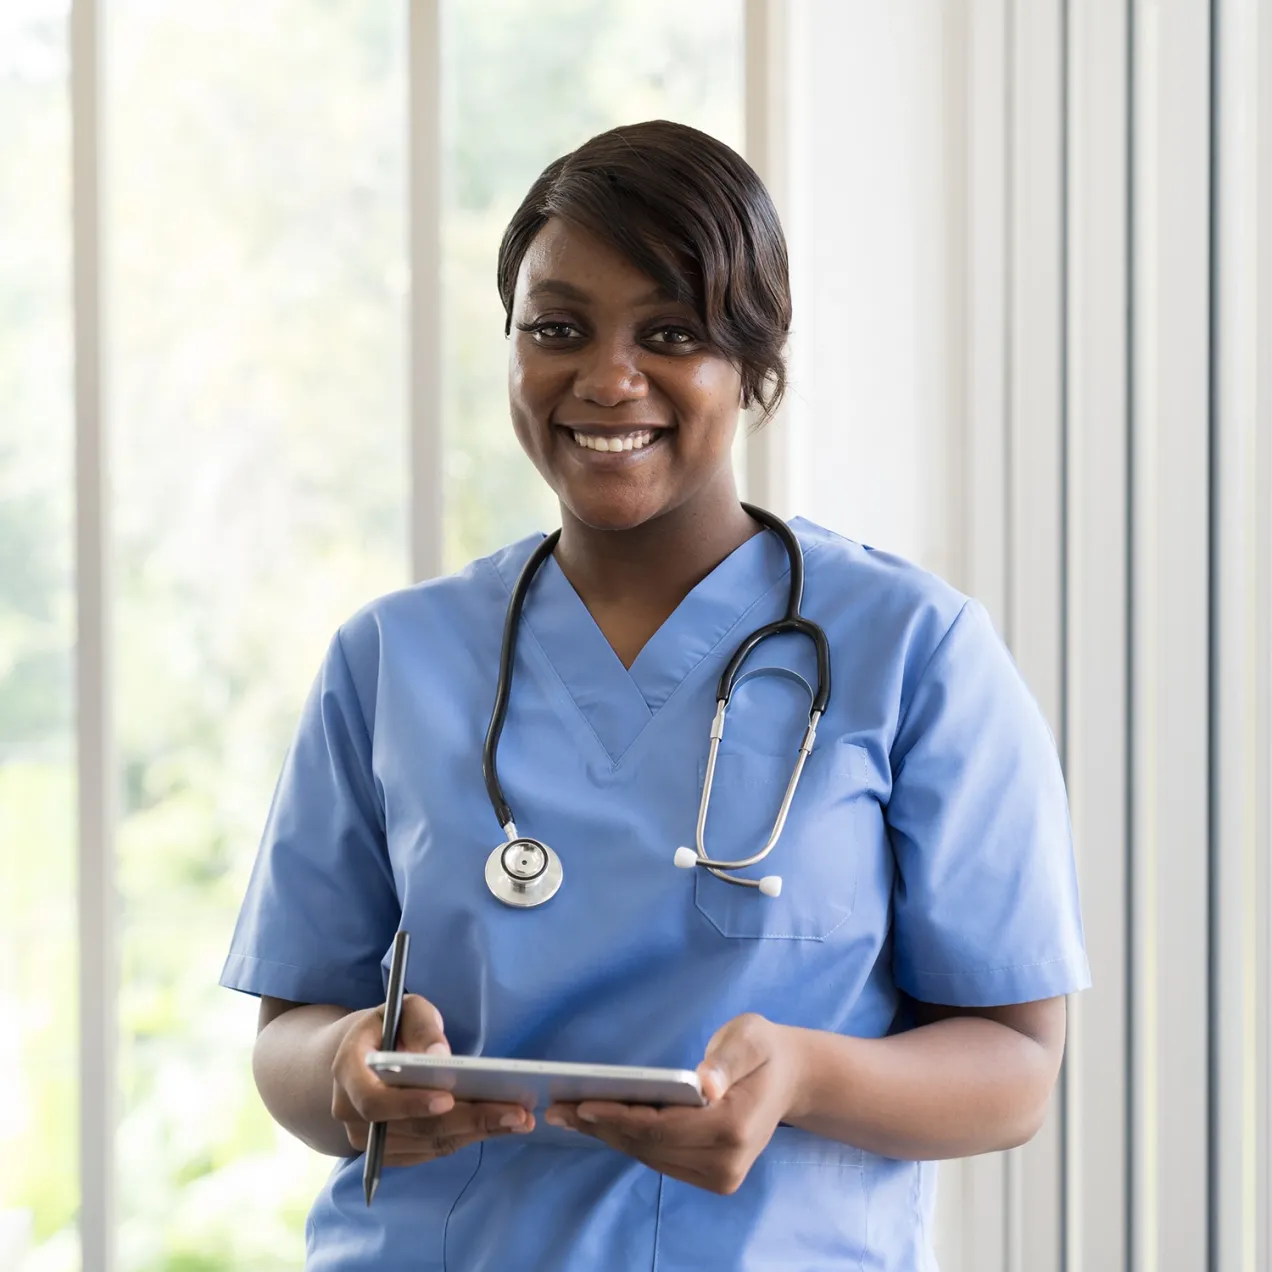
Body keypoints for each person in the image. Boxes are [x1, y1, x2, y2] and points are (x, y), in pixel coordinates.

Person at [221, 119, 1089, 1270]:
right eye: (558, 330)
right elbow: (288, 1037)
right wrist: (346, 1072)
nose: (608, 378)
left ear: (754, 360)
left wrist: (807, 1075)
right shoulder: (393, 657)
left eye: (671, 333)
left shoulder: (914, 649)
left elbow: (1017, 1071)